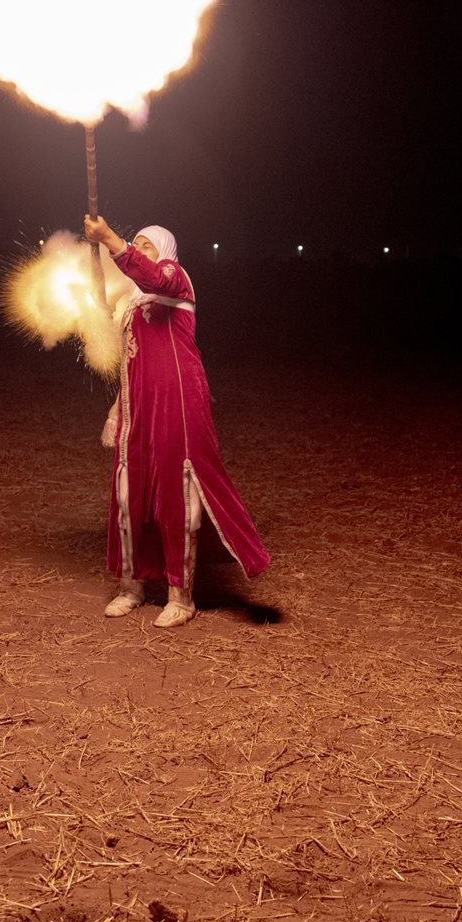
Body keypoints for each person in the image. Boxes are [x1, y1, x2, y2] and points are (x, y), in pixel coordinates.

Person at [81, 216, 269, 626]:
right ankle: (131, 587)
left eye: (146, 244)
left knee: (176, 492)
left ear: (164, 249)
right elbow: (129, 356)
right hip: (139, 404)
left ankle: (180, 595)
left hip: (178, 398)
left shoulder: (173, 276)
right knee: (129, 493)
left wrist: (109, 238)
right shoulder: (133, 302)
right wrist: (118, 407)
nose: (139, 248)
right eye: (136, 243)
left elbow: (152, 277)